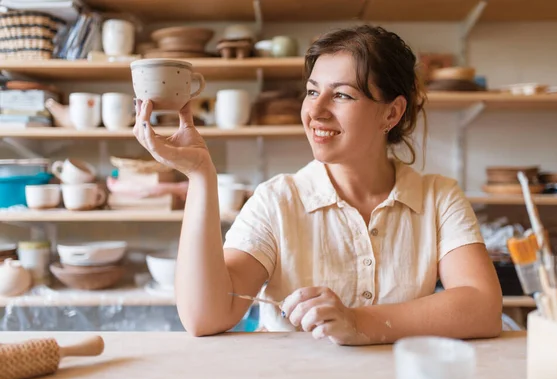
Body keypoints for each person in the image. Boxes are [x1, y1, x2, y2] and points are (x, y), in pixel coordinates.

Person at [133, 24, 503, 346]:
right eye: (312, 91)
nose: (316, 110)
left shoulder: (438, 197)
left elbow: (483, 306)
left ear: (391, 113)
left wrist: (357, 323)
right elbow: (204, 317)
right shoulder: (276, 200)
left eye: (341, 94)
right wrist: (200, 177)